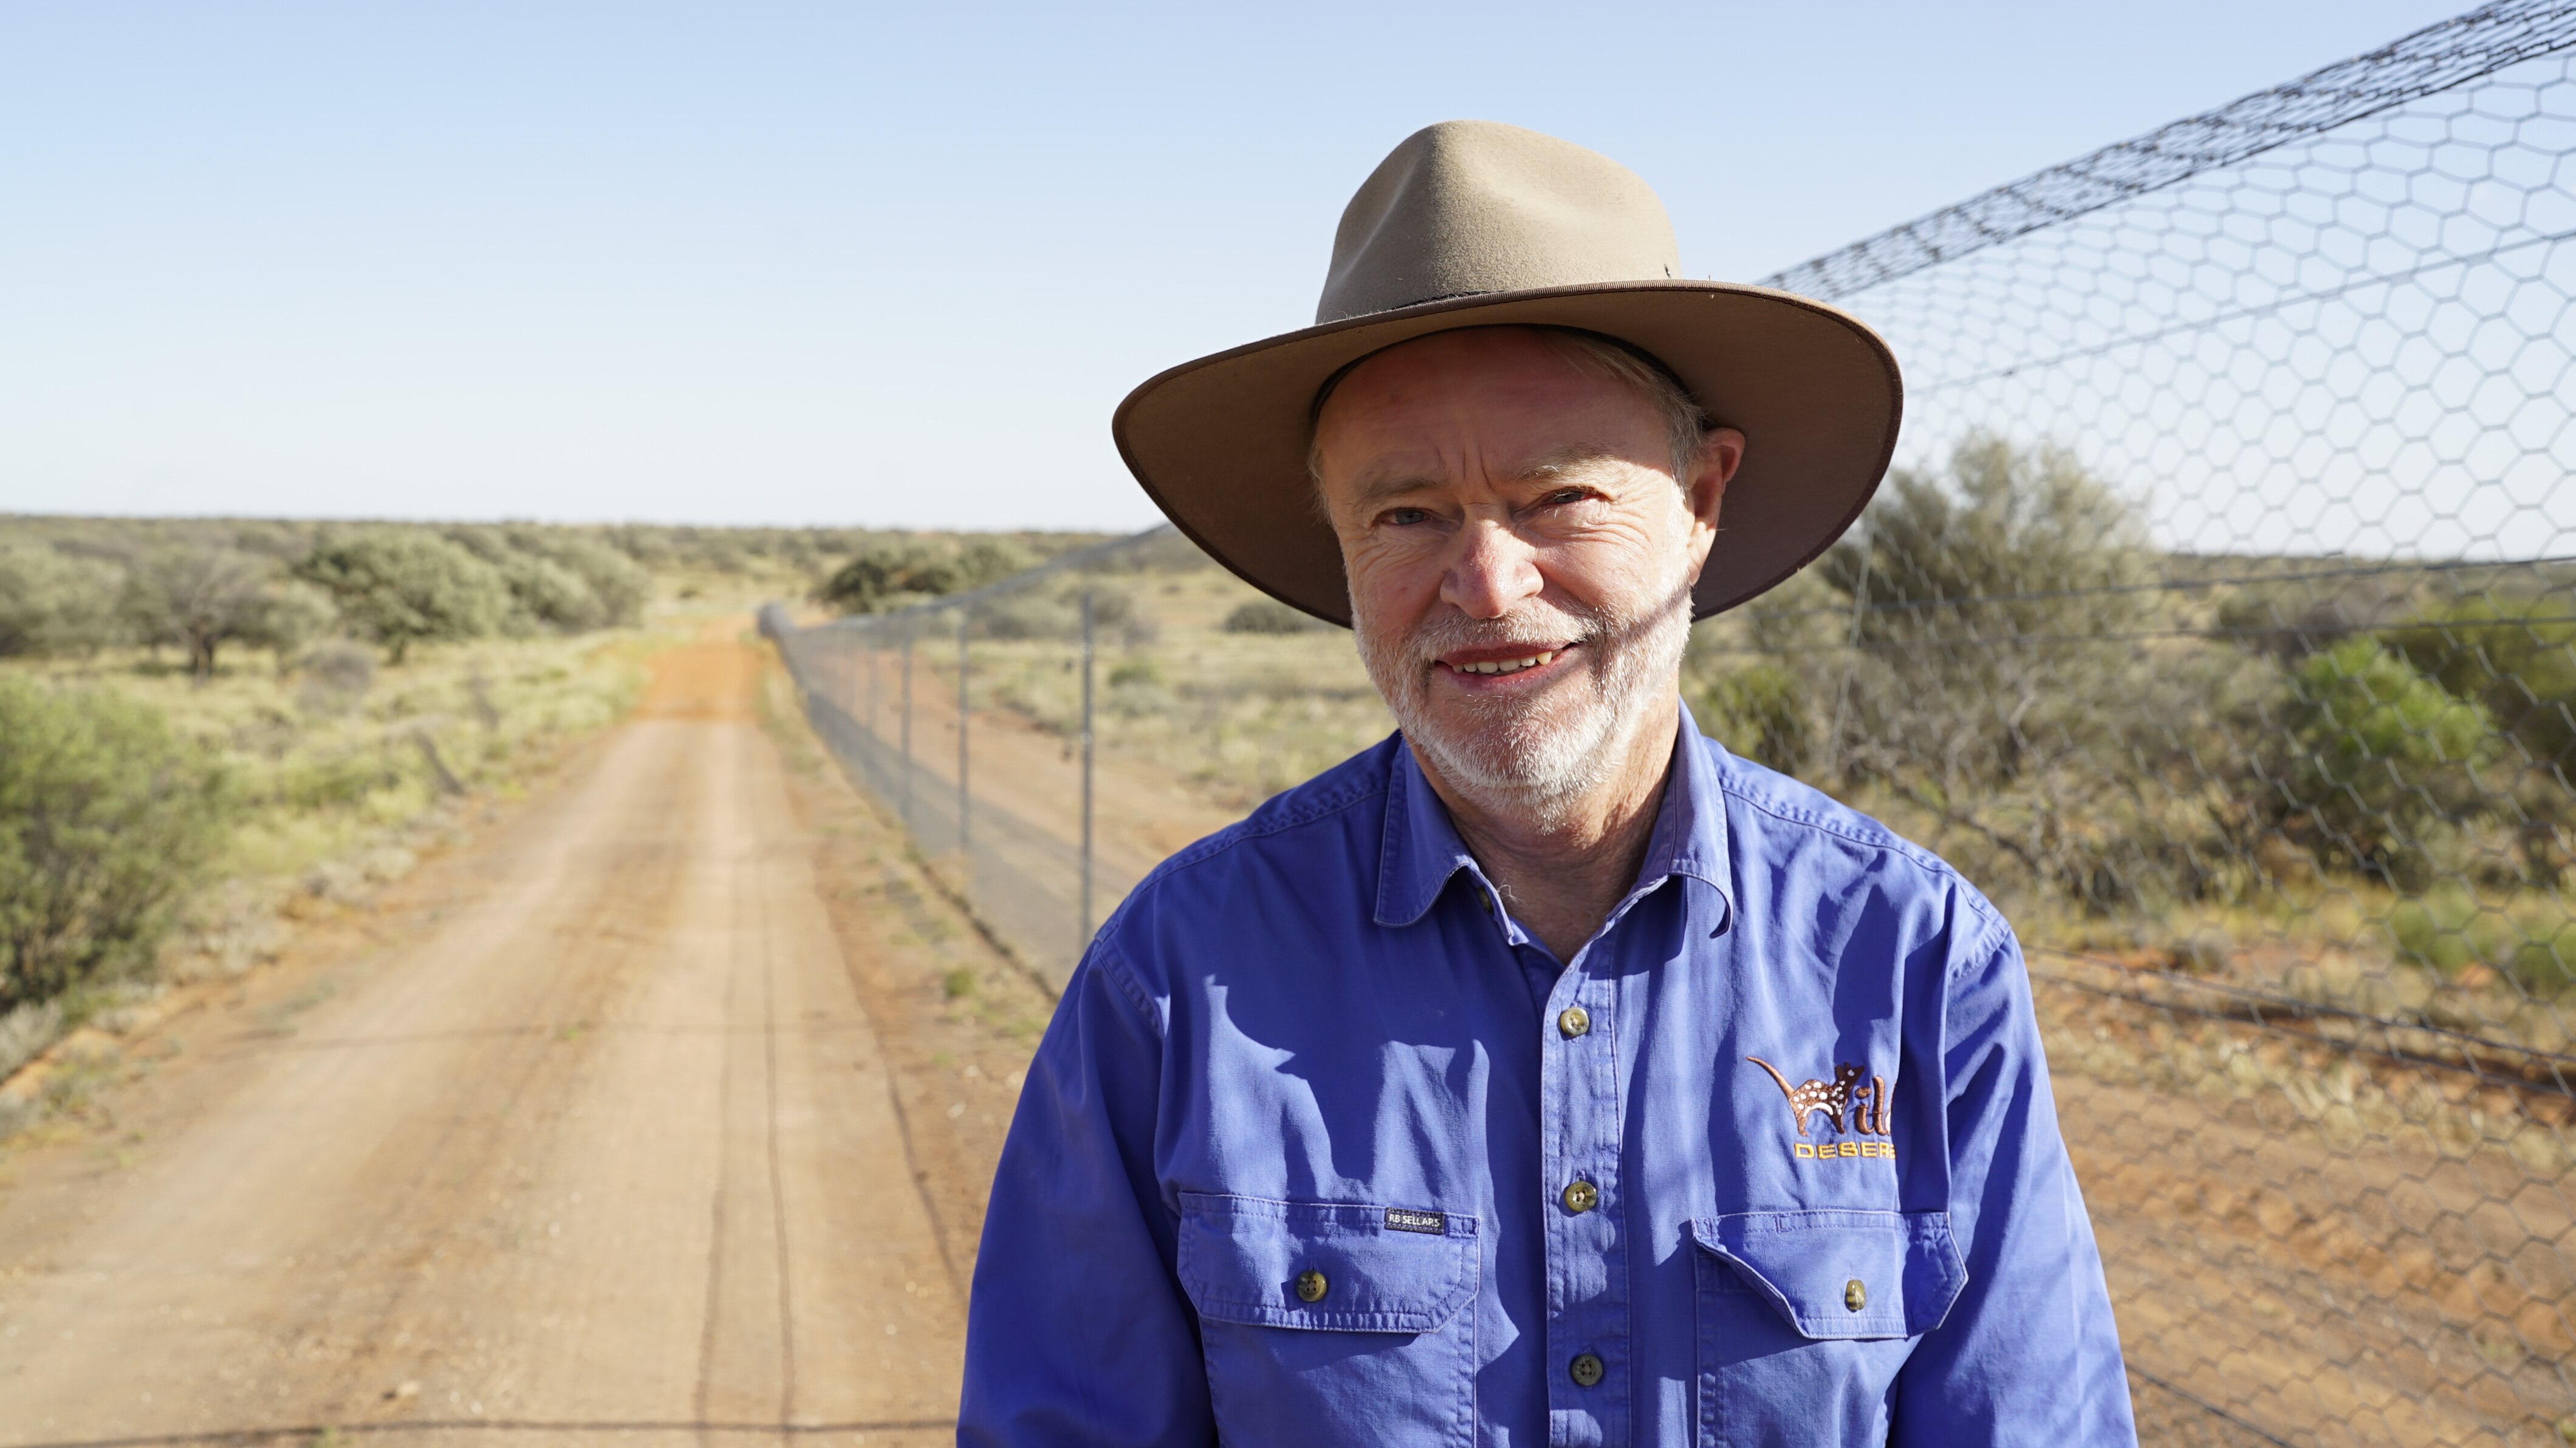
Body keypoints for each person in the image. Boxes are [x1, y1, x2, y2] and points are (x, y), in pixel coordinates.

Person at [957, 120, 2135, 1447]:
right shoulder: (1176, 980)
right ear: (1337, 541)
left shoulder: (1913, 962)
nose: (1485, 585)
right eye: (1404, 515)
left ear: (1700, 498)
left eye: (1557, 498)